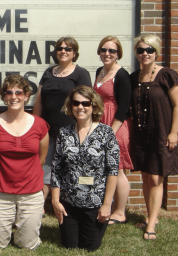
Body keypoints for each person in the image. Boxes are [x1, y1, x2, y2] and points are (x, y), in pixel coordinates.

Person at [0, 74, 49, 250]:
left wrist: (27, 175)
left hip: (31, 191)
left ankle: (20, 225)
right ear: (4, 97)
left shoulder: (40, 125)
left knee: (27, 244)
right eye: (9, 92)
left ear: (26, 95)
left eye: (19, 92)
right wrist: (2, 176)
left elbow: (41, 158)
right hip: (0, 190)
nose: (14, 96)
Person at [129, 34, 178, 240]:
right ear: (136, 53)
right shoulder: (134, 77)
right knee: (145, 175)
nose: (145, 54)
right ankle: (150, 215)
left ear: (156, 52)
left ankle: (151, 223)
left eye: (149, 50)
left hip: (161, 133)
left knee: (155, 177)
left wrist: (174, 132)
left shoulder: (167, 75)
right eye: (141, 50)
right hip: (141, 134)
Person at [51, 85, 119, 251]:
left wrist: (107, 205)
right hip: (69, 202)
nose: (80, 107)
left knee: (90, 246)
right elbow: (56, 168)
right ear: (71, 106)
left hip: (94, 203)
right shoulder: (64, 132)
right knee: (70, 245)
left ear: (93, 105)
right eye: (76, 103)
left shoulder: (106, 133)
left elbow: (113, 170)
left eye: (85, 103)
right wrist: (55, 200)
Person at [33, 36, 91, 212]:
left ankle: (77, 205)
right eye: (60, 48)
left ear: (74, 53)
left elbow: (87, 102)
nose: (63, 51)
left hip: (72, 130)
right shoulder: (49, 73)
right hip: (48, 130)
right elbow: (39, 101)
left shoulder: (81, 74)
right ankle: (38, 208)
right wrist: (35, 126)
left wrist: (84, 129)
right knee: (45, 169)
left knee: (75, 168)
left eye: (68, 49)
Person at [93, 36, 133, 225]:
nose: (107, 54)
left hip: (116, 125)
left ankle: (120, 212)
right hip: (100, 123)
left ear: (118, 54)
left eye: (112, 51)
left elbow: (124, 107)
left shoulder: (121, 74)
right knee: (105, 168)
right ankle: (105, 206)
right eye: (104, 50)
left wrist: (110, 132)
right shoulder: (99, 72)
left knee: (118, 169)